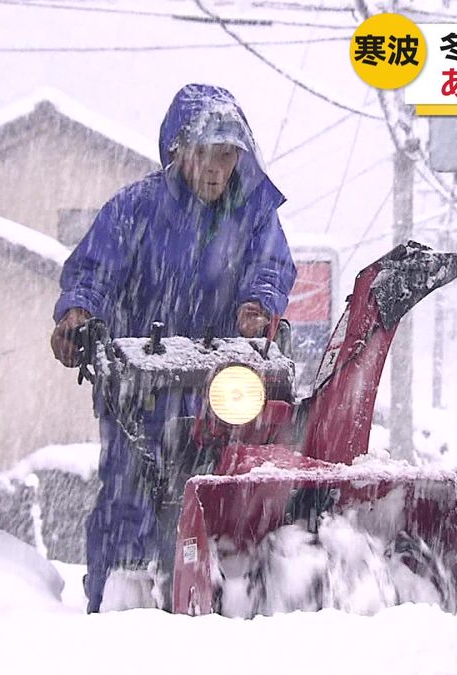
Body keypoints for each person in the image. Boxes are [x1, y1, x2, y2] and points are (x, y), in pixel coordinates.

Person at [49, 83, 297, 612]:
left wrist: (258, 305)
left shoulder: (252, 216)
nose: (215, 168)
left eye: (227, 155)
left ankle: (230, 594)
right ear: (178, 152)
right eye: (205, 153)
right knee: (129, 494)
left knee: (230, 488)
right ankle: (122, 600)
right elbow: (92, 271)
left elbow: (272, 269)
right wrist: (78, 314)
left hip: (220, 385)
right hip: (140, 384)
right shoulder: (135, 209)